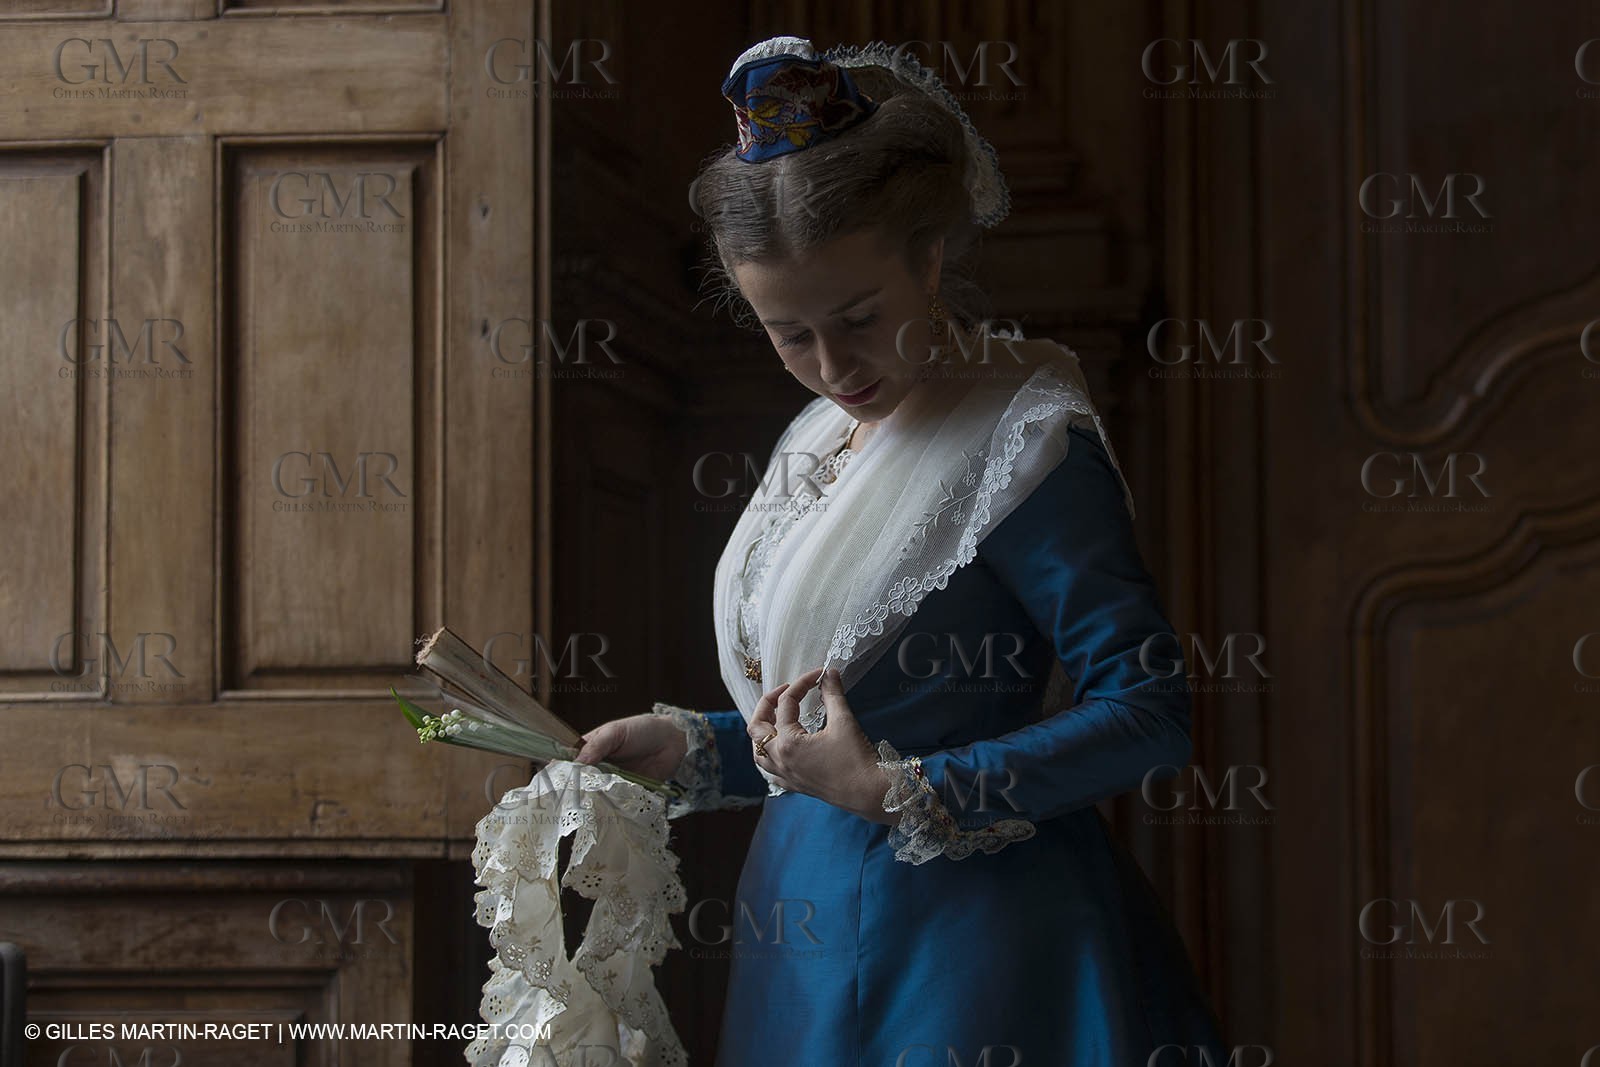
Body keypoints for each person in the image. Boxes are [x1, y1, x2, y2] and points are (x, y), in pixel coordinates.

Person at [573, 35, 1230, 1066]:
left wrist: (898, 793)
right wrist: (700, 746)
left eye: (858, 317)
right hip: (800, 918)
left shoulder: (1022, 438)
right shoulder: (821, 436)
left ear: (928, 258)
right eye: (788, 334)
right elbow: (844, 706)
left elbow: (1149, 712)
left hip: (973, 949)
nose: (833, 365)